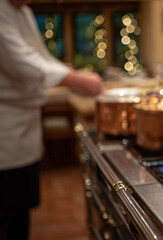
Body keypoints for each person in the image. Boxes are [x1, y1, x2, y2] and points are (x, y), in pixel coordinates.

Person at [0, 0, 104, 239]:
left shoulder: (24, 12)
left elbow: (42, 58)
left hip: (25, 126)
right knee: (5, 214)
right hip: (4, 128)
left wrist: (74, 78)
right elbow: (24, 63)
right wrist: (77, 79)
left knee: (20, 210)